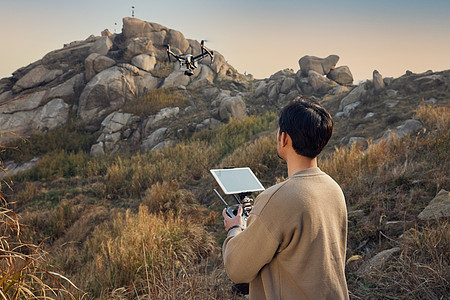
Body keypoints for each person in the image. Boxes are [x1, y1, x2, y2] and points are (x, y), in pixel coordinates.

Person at [222, 97, 349, 300]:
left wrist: (234, 229)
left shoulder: (277, 199)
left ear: (284, 139)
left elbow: (238, 269)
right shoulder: (333, 189)